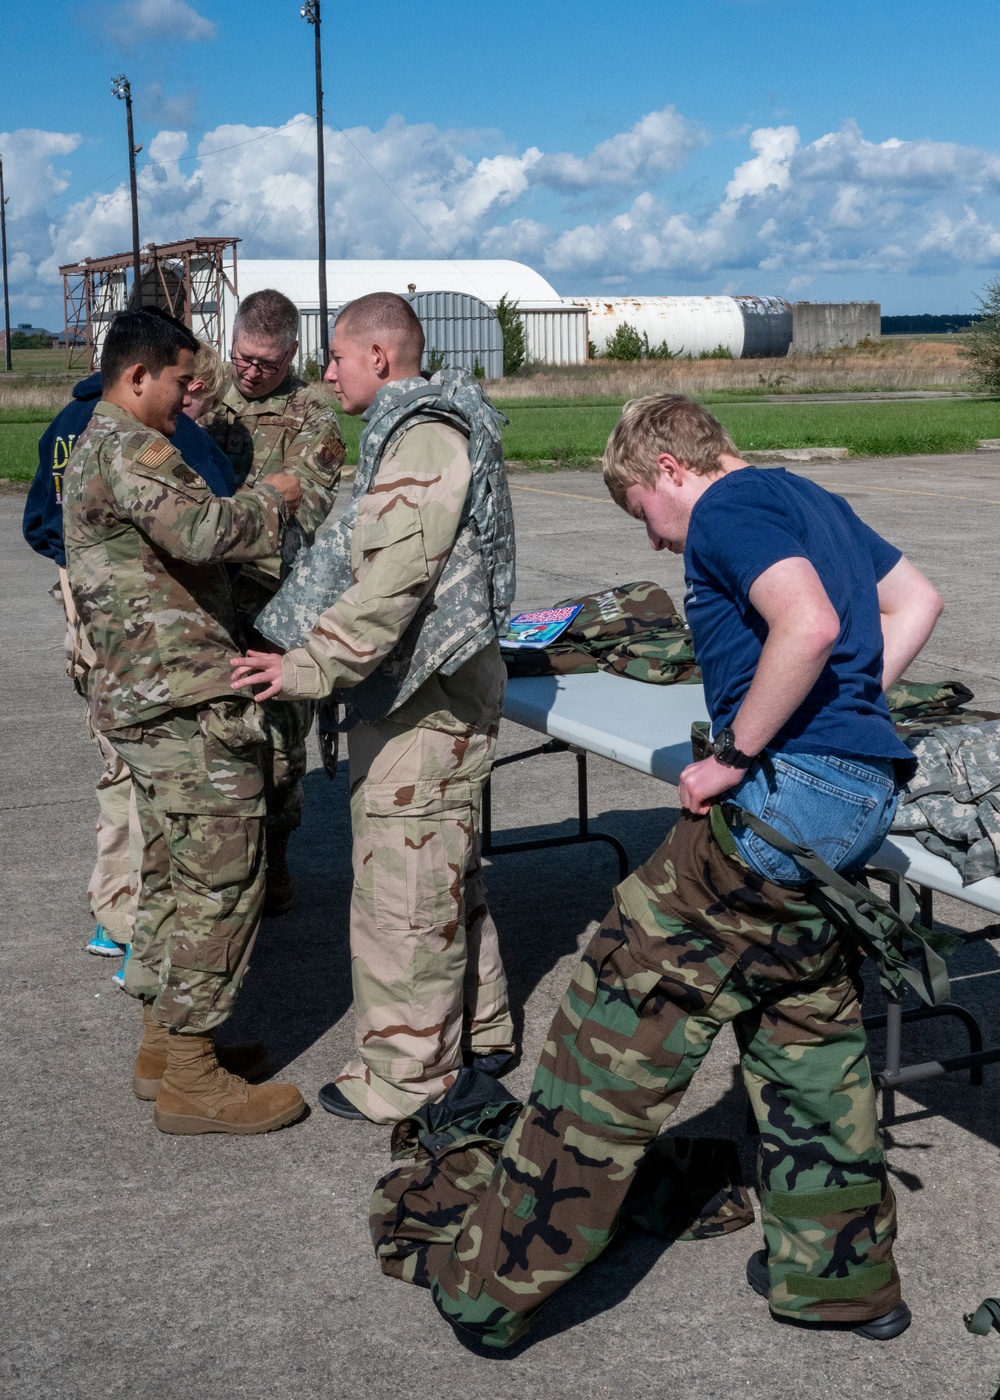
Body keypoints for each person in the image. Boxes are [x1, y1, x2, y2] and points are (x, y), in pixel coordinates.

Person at [426, 394, 944, 1347]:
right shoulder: (806, 497)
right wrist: (847, 720)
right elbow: (917, 602)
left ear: (668, 467)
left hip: (777, 808)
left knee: (612, 1024)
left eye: (642, 513)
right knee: (806, 1033)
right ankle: (841, 1284)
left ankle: (491, 1289)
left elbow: (812, 624)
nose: (659, 544)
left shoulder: (726, 509)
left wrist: (738, 753)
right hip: (850, 811)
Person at [230, 292, 517, 1125]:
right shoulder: (421, 427)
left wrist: (305, 666)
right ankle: (483, 1028)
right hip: (432, 699)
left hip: (426, 707)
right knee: (444, 875)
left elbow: (393, 585)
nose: (325, 373)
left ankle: (407, 1075)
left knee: (403, 892)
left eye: (335, 358)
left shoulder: (423, 437)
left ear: (380, 359)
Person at [62, 308, 307, 1136]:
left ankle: (163, 1046)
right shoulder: (127, 447)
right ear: (138, 376)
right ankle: (193, 1080)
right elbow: (204, 532)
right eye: (180, 378)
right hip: (180, 699)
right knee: (222, 880)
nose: (190, 393)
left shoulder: (101, 440)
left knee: (171, 874)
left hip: (151, 696)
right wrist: (277, 493)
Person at [22, 334, 240, 972]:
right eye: (185, 384)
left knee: (113, 762)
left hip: (86, 615)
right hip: (151, 629)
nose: (185, 397)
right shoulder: (158, 437)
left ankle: (111, 912)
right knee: (153, 776)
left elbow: (39, 522)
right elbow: (218, 511)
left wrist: (83, 563)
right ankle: (142, 930)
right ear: (151, 377)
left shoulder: (66, 427)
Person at [203, 288, 345, 914]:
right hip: (211, 597)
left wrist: (227, 518)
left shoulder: (311, 414)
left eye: (267, 361)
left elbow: (307, 510)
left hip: (279, 603)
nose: (251, 370)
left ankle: (278, 855)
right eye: (242, 356)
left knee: (283, 745)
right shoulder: (211, 400)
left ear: (292, 352)